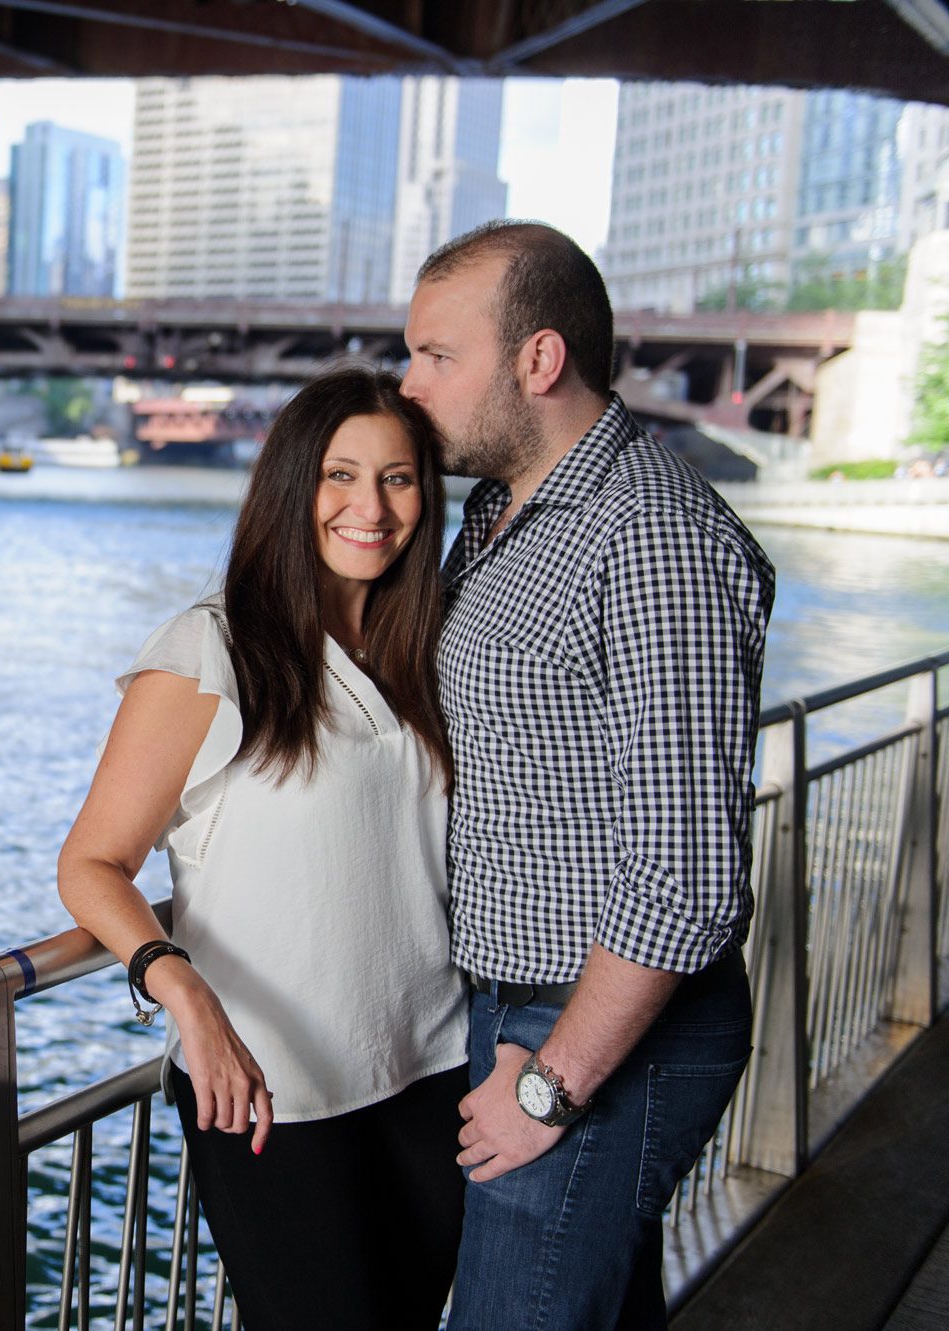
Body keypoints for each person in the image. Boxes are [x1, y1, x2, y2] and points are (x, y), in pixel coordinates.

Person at [398, 220, 775, 1330]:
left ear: (537, 359)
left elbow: (685, 870)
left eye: (434, 355)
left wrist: (547, 1083)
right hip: (519, 1001)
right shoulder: (498, 509)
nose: (407, 383)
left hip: (602, 1029)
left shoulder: (648, 532)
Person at [56, 366, 467, 1329]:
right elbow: (91, 863)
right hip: (271, 1089)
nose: (371, 506)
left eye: (399, 478)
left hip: (436, 1070)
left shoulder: (426, 652)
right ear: (291, 485)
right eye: (340, 475)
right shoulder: (212, 651)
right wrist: (182, 990)